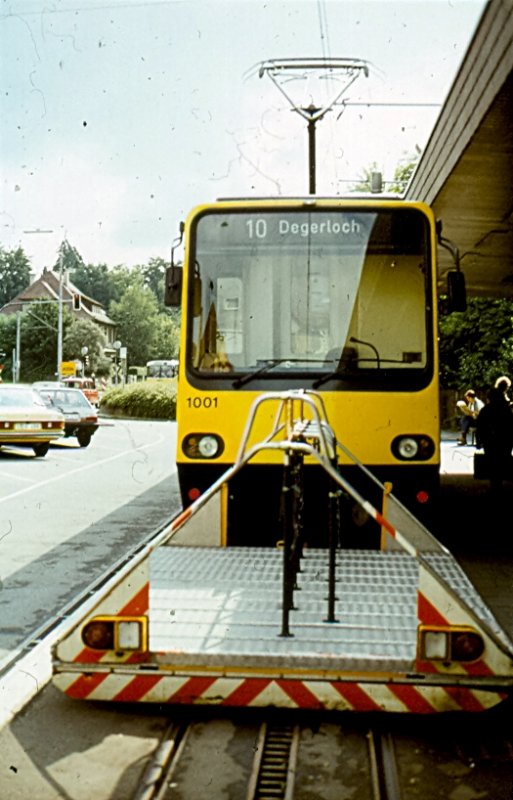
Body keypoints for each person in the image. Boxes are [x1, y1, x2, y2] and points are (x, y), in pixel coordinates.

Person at [476, 387, 513, 491]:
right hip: (505, 441)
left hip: (490, 442)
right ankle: (501, 480)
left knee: (492, 462)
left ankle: (495, 484)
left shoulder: (486, 410)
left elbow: (480, 426)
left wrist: (479, 441)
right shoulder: (506, 410)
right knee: (503, 460)